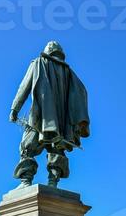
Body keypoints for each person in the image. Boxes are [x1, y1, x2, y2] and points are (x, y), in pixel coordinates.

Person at [9, 41, 90, 188]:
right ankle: (53, 182)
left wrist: (15, 109)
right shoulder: (69, 73)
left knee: (28, 147)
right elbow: (82, 92)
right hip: (61, 122)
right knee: (57, 149)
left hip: (40, 117)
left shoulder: (39, 62)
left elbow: (24, 87)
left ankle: (26, 180)